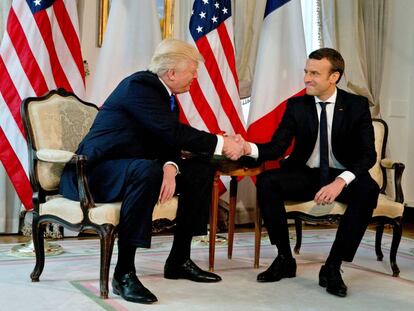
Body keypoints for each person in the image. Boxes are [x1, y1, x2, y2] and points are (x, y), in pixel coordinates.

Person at [59, 39, 244, 304]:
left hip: (131, 169)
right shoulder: (139, 87)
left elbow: (166, 139)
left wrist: (171, 167)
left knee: (200, 168)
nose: (195, 77)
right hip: (92, 173)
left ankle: (179, 259)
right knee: (146, 170)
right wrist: (223, 143)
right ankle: (124, 274)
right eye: (192, 71)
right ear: (171, 73)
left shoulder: (165, 97)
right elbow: (173, 132)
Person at [243, 48, 379, 297]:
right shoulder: (296, 105)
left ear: (334, 77)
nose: (306, 78)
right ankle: (284, 258)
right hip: (307, 173)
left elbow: (368, 155)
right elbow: (277, 148)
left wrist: (341, 180)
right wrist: (246, 147)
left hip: (343, 173)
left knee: (368, 190)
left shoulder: (355, 106)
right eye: (306, 72)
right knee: (266, 181)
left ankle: (332, 265)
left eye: (314, 73)